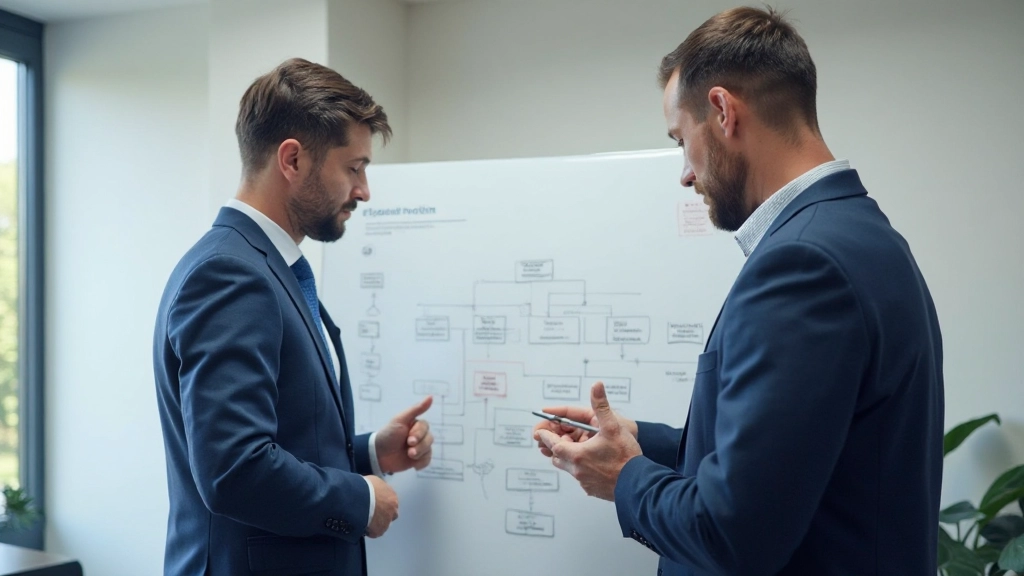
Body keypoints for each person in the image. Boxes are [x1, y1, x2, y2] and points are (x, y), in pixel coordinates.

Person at [533, 7, 944, 575]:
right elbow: (786, 459)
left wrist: (624, 476)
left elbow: (734, 531)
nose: (685, 173)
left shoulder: (802, 266)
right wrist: (637, 441)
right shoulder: (861, 235)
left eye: (681, 139)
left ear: (723, 111)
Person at [153, 58, 434, 576]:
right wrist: (359, 500)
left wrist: (371, 453)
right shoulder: (230, 275)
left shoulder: (263, 267)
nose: (364, 191)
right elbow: (234, 469)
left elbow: (284, 441)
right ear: (293, 160)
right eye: (354, 168)